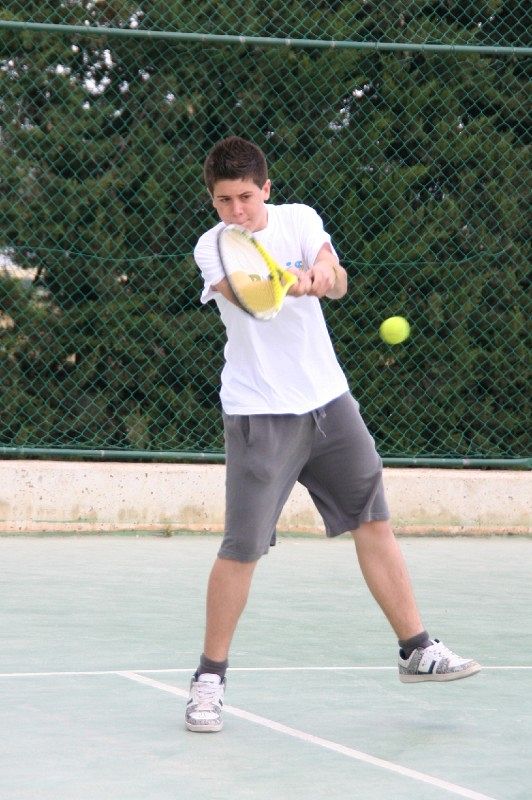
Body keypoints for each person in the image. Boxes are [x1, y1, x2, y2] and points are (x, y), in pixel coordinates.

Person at [186, 135, 480, 733]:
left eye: (246, 197)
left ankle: (416, 649)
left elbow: (337, 279)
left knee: (373, 519)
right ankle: (208, 680)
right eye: (224, 200)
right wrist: (289, 282)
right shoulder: (214, 246)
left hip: (329, 401)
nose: (237, 210)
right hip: (260, 412)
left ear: (266, 189)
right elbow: (252, 299)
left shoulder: (299, 219)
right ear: (212, 200)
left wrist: (322, 272)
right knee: (243, 547)